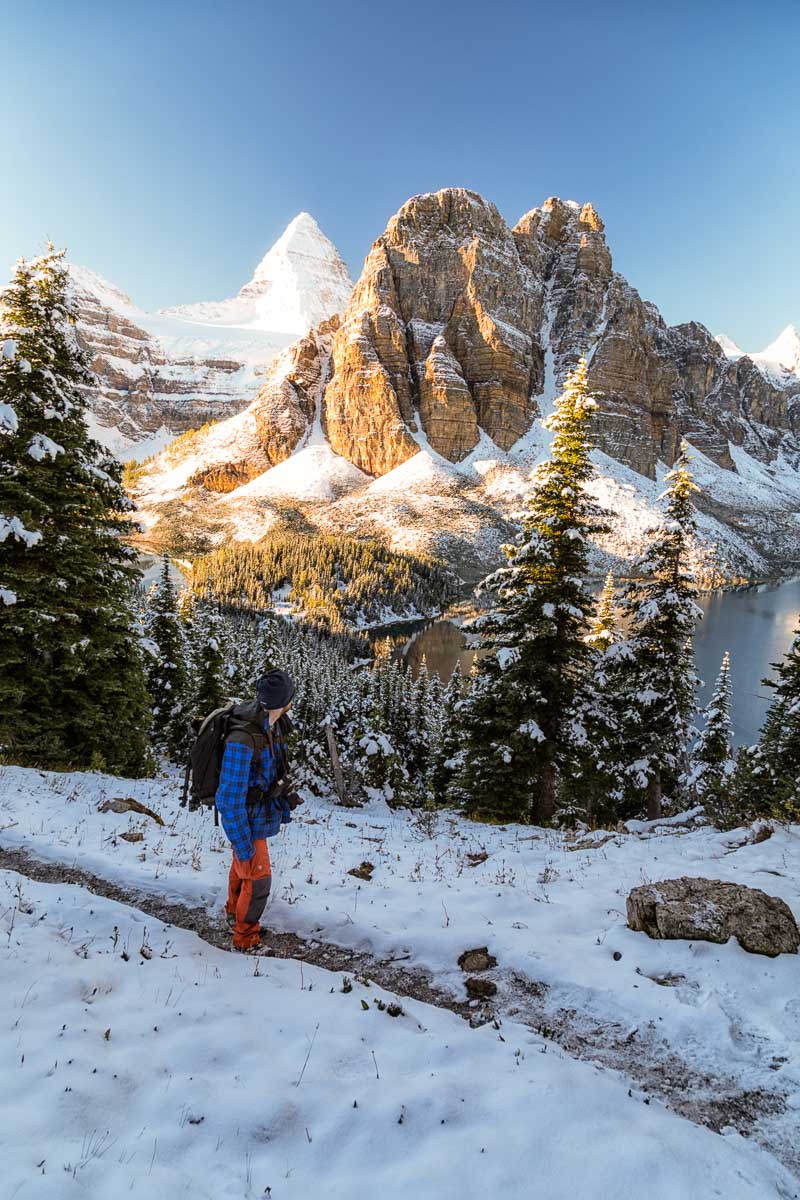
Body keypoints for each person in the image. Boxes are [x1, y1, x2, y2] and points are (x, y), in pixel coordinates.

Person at [215, 669, 301, 952]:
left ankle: (233, 913)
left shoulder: (272, 724)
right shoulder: (243, 739)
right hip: (246, 821)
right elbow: (228, 797)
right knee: (259, 878)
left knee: (243, 870)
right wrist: (241, 842)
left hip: (257, 815)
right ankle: (245, 939)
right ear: (283, 701)